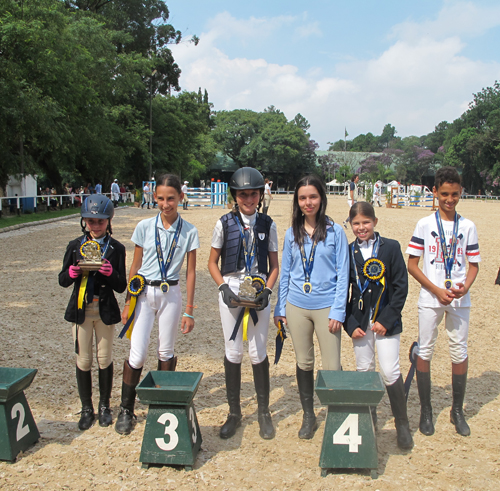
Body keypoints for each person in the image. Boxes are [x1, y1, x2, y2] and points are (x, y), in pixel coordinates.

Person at [115, 174, 199, 435]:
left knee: (166, 351)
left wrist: (189, 309)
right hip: (143, 294)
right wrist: (129, 301)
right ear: (155, 198)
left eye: (171, 198)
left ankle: (163, 405)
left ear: (180, 198)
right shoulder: (143, 226)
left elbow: (191, 272)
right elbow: (135, 265)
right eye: (161, 198)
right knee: (137, 353)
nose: (166, 204)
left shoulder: (189, 231)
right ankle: (126, 409)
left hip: (170, 294)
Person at [406, 166, 480, 437]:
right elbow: (413, 265)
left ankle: (456, 410)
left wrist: (465, 287)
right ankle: (426, 411)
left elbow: (474, 265)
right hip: (431, 295)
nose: (450, 199)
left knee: (459, 350)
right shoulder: (425, 224)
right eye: (445, 194)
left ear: (461, 193)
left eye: (455, 194)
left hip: (460, 298)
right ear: (435, 192)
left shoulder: (468, 226)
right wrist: (436, 289)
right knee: (425, 349)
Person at [274, 175, 349, 439]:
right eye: (303, 198)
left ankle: (335, 415)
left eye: (313, 197)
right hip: (297, 306)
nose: (308, 202)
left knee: (331, 364)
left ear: (322, 198)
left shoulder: (335, 231)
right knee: (304, 361)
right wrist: (279, 308)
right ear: (297, 201)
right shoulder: (291, 233)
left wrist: (339, 310)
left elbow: (343, 273)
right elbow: (286, 274)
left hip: (326, 308)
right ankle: (308, 415)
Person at [208, 167, 279, 440]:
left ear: (260, 195)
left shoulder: (268, 223)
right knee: (233, 350)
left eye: (252, 194)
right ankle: (234, 412)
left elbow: (274, 266)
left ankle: (263, 412)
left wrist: (268, 290)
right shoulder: (224, 223)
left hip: (258, 286)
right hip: (233, 286)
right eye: (242, 194)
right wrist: (222, 286)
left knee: (258, 350)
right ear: (235, 196)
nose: (248, 199)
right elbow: (211, 262)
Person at [344, 202, 413, 449]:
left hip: (386, 322)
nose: (361, 227)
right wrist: (349, 324)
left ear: (375, 221)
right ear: (350, 225)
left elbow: (400, 287)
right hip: (360, 323)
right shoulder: (348, 251)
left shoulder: (391, 247)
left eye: (366, 222)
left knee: (390, 370)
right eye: (356, 223)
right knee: (364, 370)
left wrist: (386, 319)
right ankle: (368, 422)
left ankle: (401, 425)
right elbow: (344, 291)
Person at [58, 195, 127, 430]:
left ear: (108, 221)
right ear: (84, 221)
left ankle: (105, 405)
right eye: (91, 221)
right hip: (81, 311)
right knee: (84, 360)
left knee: (104, 358)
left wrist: (111, 273)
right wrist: (72, 274)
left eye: (100, 222)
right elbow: (62, 279)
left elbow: (121, 285)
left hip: (105, 309)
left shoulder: (117, 248)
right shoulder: (75, 246)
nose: (96, 226)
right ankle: (87, 407)